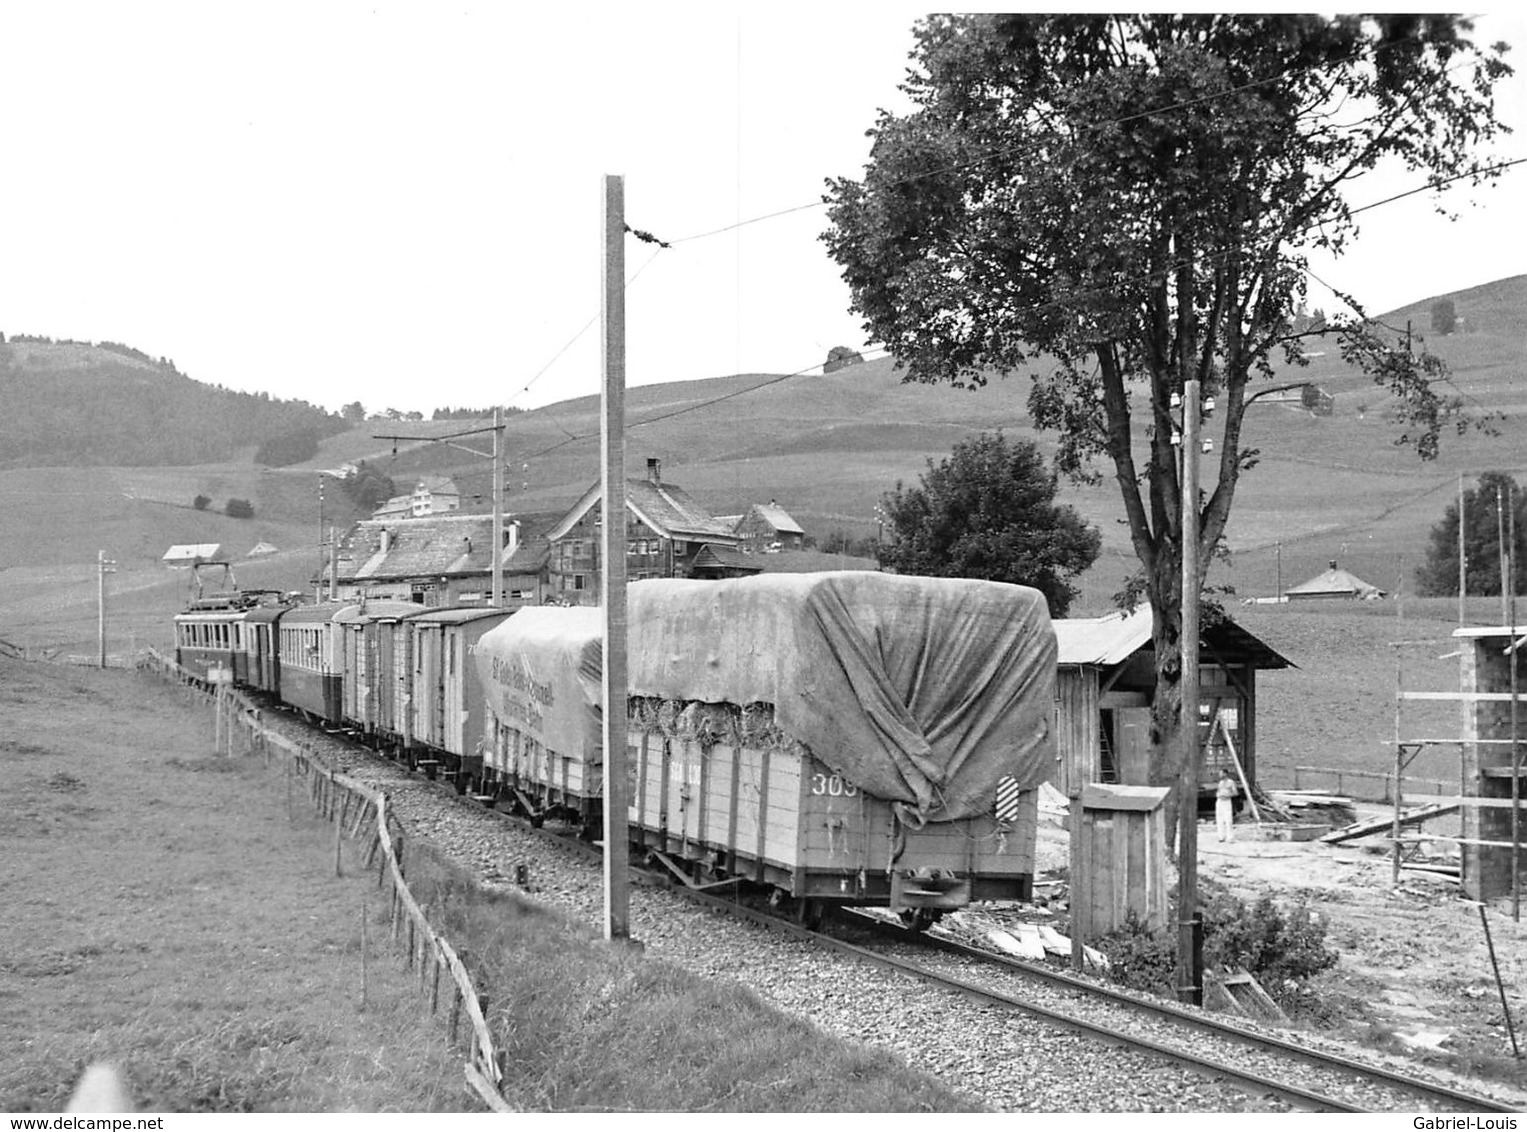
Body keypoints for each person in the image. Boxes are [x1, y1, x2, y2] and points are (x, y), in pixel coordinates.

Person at [1216, 768, 1239, 842]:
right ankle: (1221, 837)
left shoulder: (1231, 782)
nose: (1220, 775)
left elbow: (1236, 793)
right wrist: (1219, 795)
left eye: (1221, 773)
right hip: (1220, 801)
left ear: (1225, 774)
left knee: (1228, 819)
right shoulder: (1220, 783)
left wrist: (1228, 795)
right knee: (1219, 819)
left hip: (1227, 802)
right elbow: (1218, 791)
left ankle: (1230, 837)